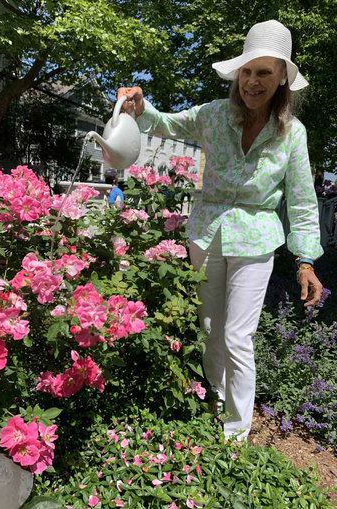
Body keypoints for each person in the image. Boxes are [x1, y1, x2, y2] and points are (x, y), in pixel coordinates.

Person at [117, 20, 324, 442]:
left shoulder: (292, 135)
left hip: (257, 237)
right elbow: (166, 124)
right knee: (211, 326)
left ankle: (235, 434)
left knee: (237, 334)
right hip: (207, 232)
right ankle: (215, 395)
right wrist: (140, 108)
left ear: (282, 77)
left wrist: (306, 260)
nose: (252, 81)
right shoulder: (213, 115)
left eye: (264, 72)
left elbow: (302, 201)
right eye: (247, 71)